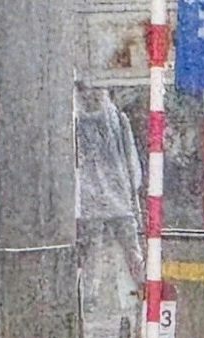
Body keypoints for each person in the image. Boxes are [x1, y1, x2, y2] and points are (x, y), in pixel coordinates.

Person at [74, 80, 146, 291]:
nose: (92, 95)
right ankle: (92, 294)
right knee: (109, 248)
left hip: (103, 196)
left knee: (104, 249)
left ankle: (91, 294)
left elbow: (130, 158)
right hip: (106, 195)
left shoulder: (113, 119)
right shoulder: (102, 119)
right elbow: (130, 160)